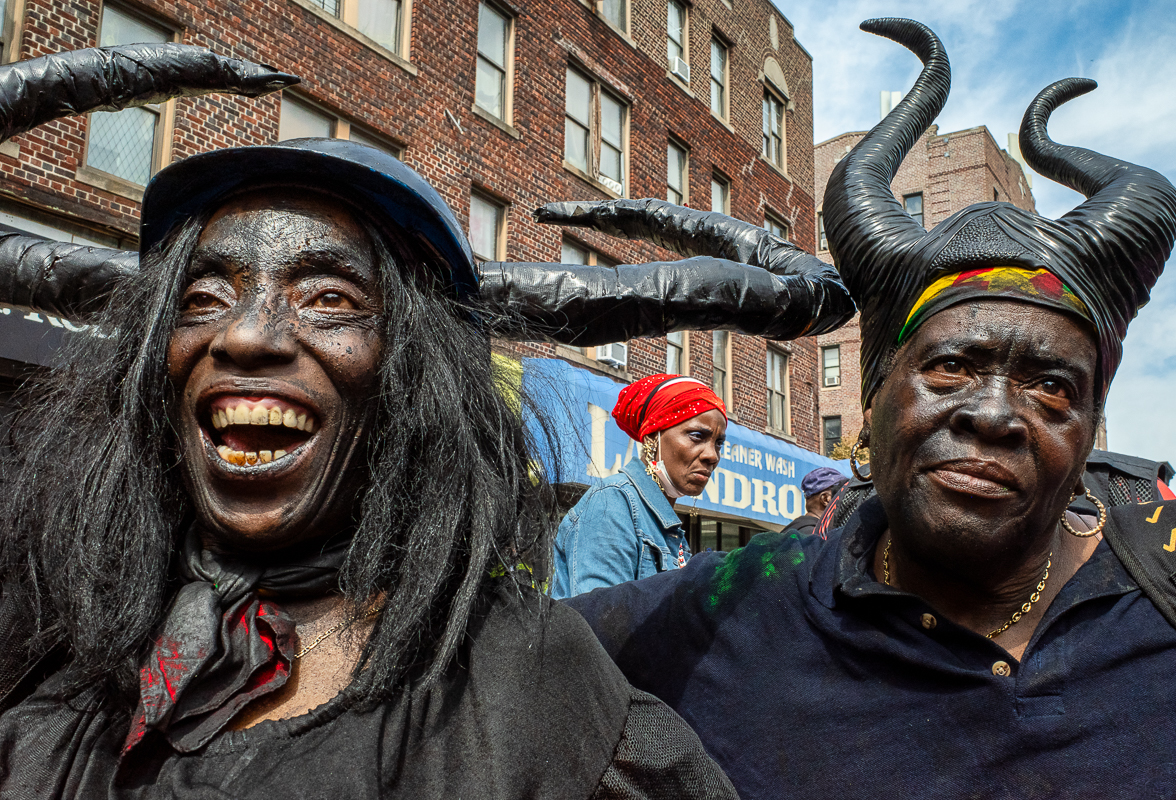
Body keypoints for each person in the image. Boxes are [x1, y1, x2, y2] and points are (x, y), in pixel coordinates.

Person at [0, 44, 874, 798]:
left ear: (415, 384)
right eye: (204, 296)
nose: (246, 333)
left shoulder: (535, 692)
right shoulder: (53, 640)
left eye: (329, 297)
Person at [561, 18, 1176, 799]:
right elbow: (471, 674)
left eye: (1051, 386)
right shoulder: (742, 604)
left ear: (1092, 423)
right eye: (952, 366)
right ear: (875, 396)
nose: (995, 415)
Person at [551, 374, 727, 598]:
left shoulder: (669, 529)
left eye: (718, 443)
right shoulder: (612, 502)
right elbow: (600, 621)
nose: (712, 456)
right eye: (696, 436)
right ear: (653, 437)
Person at [780, 467, 847, 535]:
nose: (847, 500)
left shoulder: (793, 530)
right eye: (843, 495)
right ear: (826, 499)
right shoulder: (817, 537)